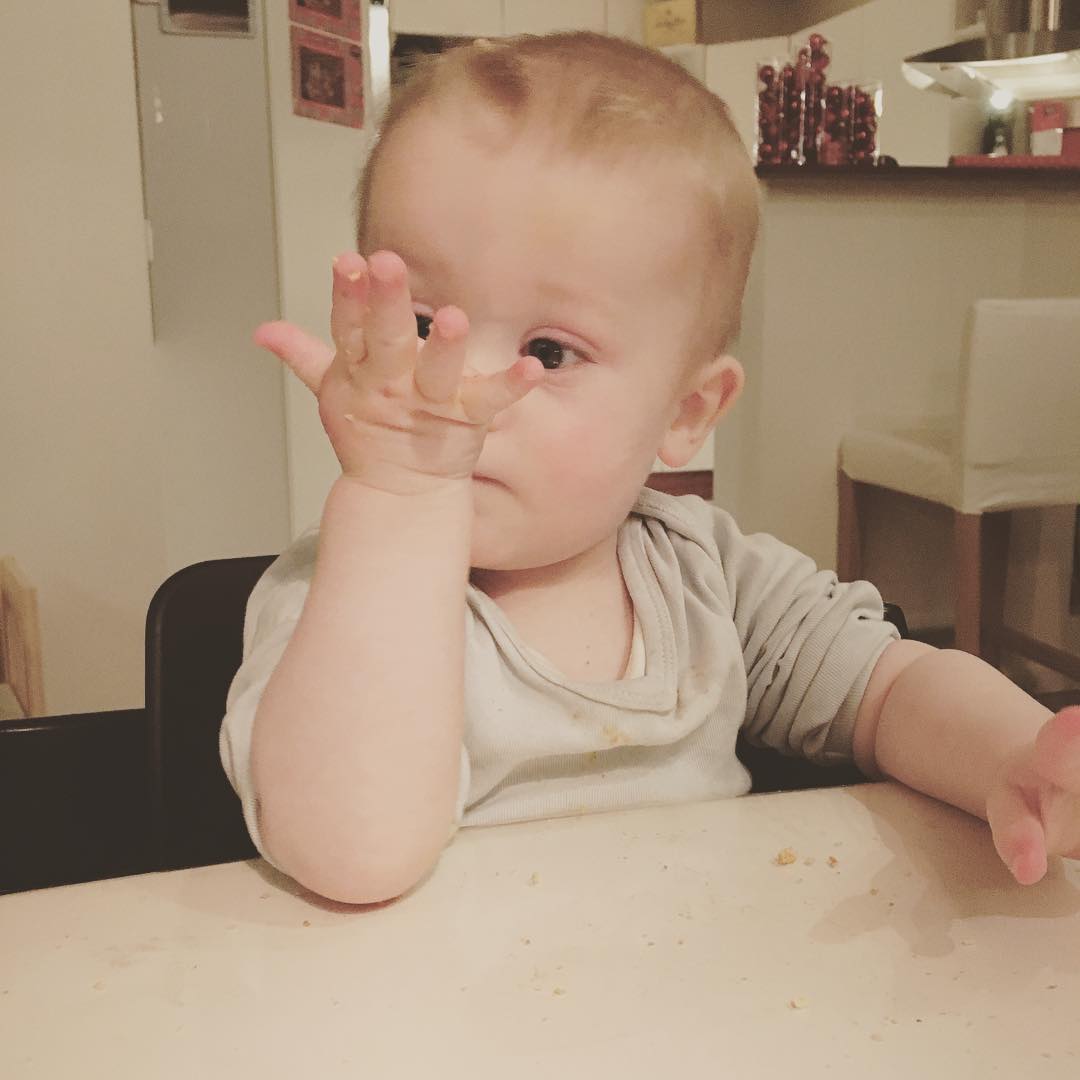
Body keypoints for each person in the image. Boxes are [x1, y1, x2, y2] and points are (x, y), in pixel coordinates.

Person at [219, 32, 1079, 905]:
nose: (463, 391)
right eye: (423, 324)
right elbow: (351, 853)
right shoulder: (347, 592)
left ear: (685, 413)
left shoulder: (709, 578)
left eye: (548, 352)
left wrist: (1010, 757)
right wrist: (401, 498)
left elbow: (890, 688)